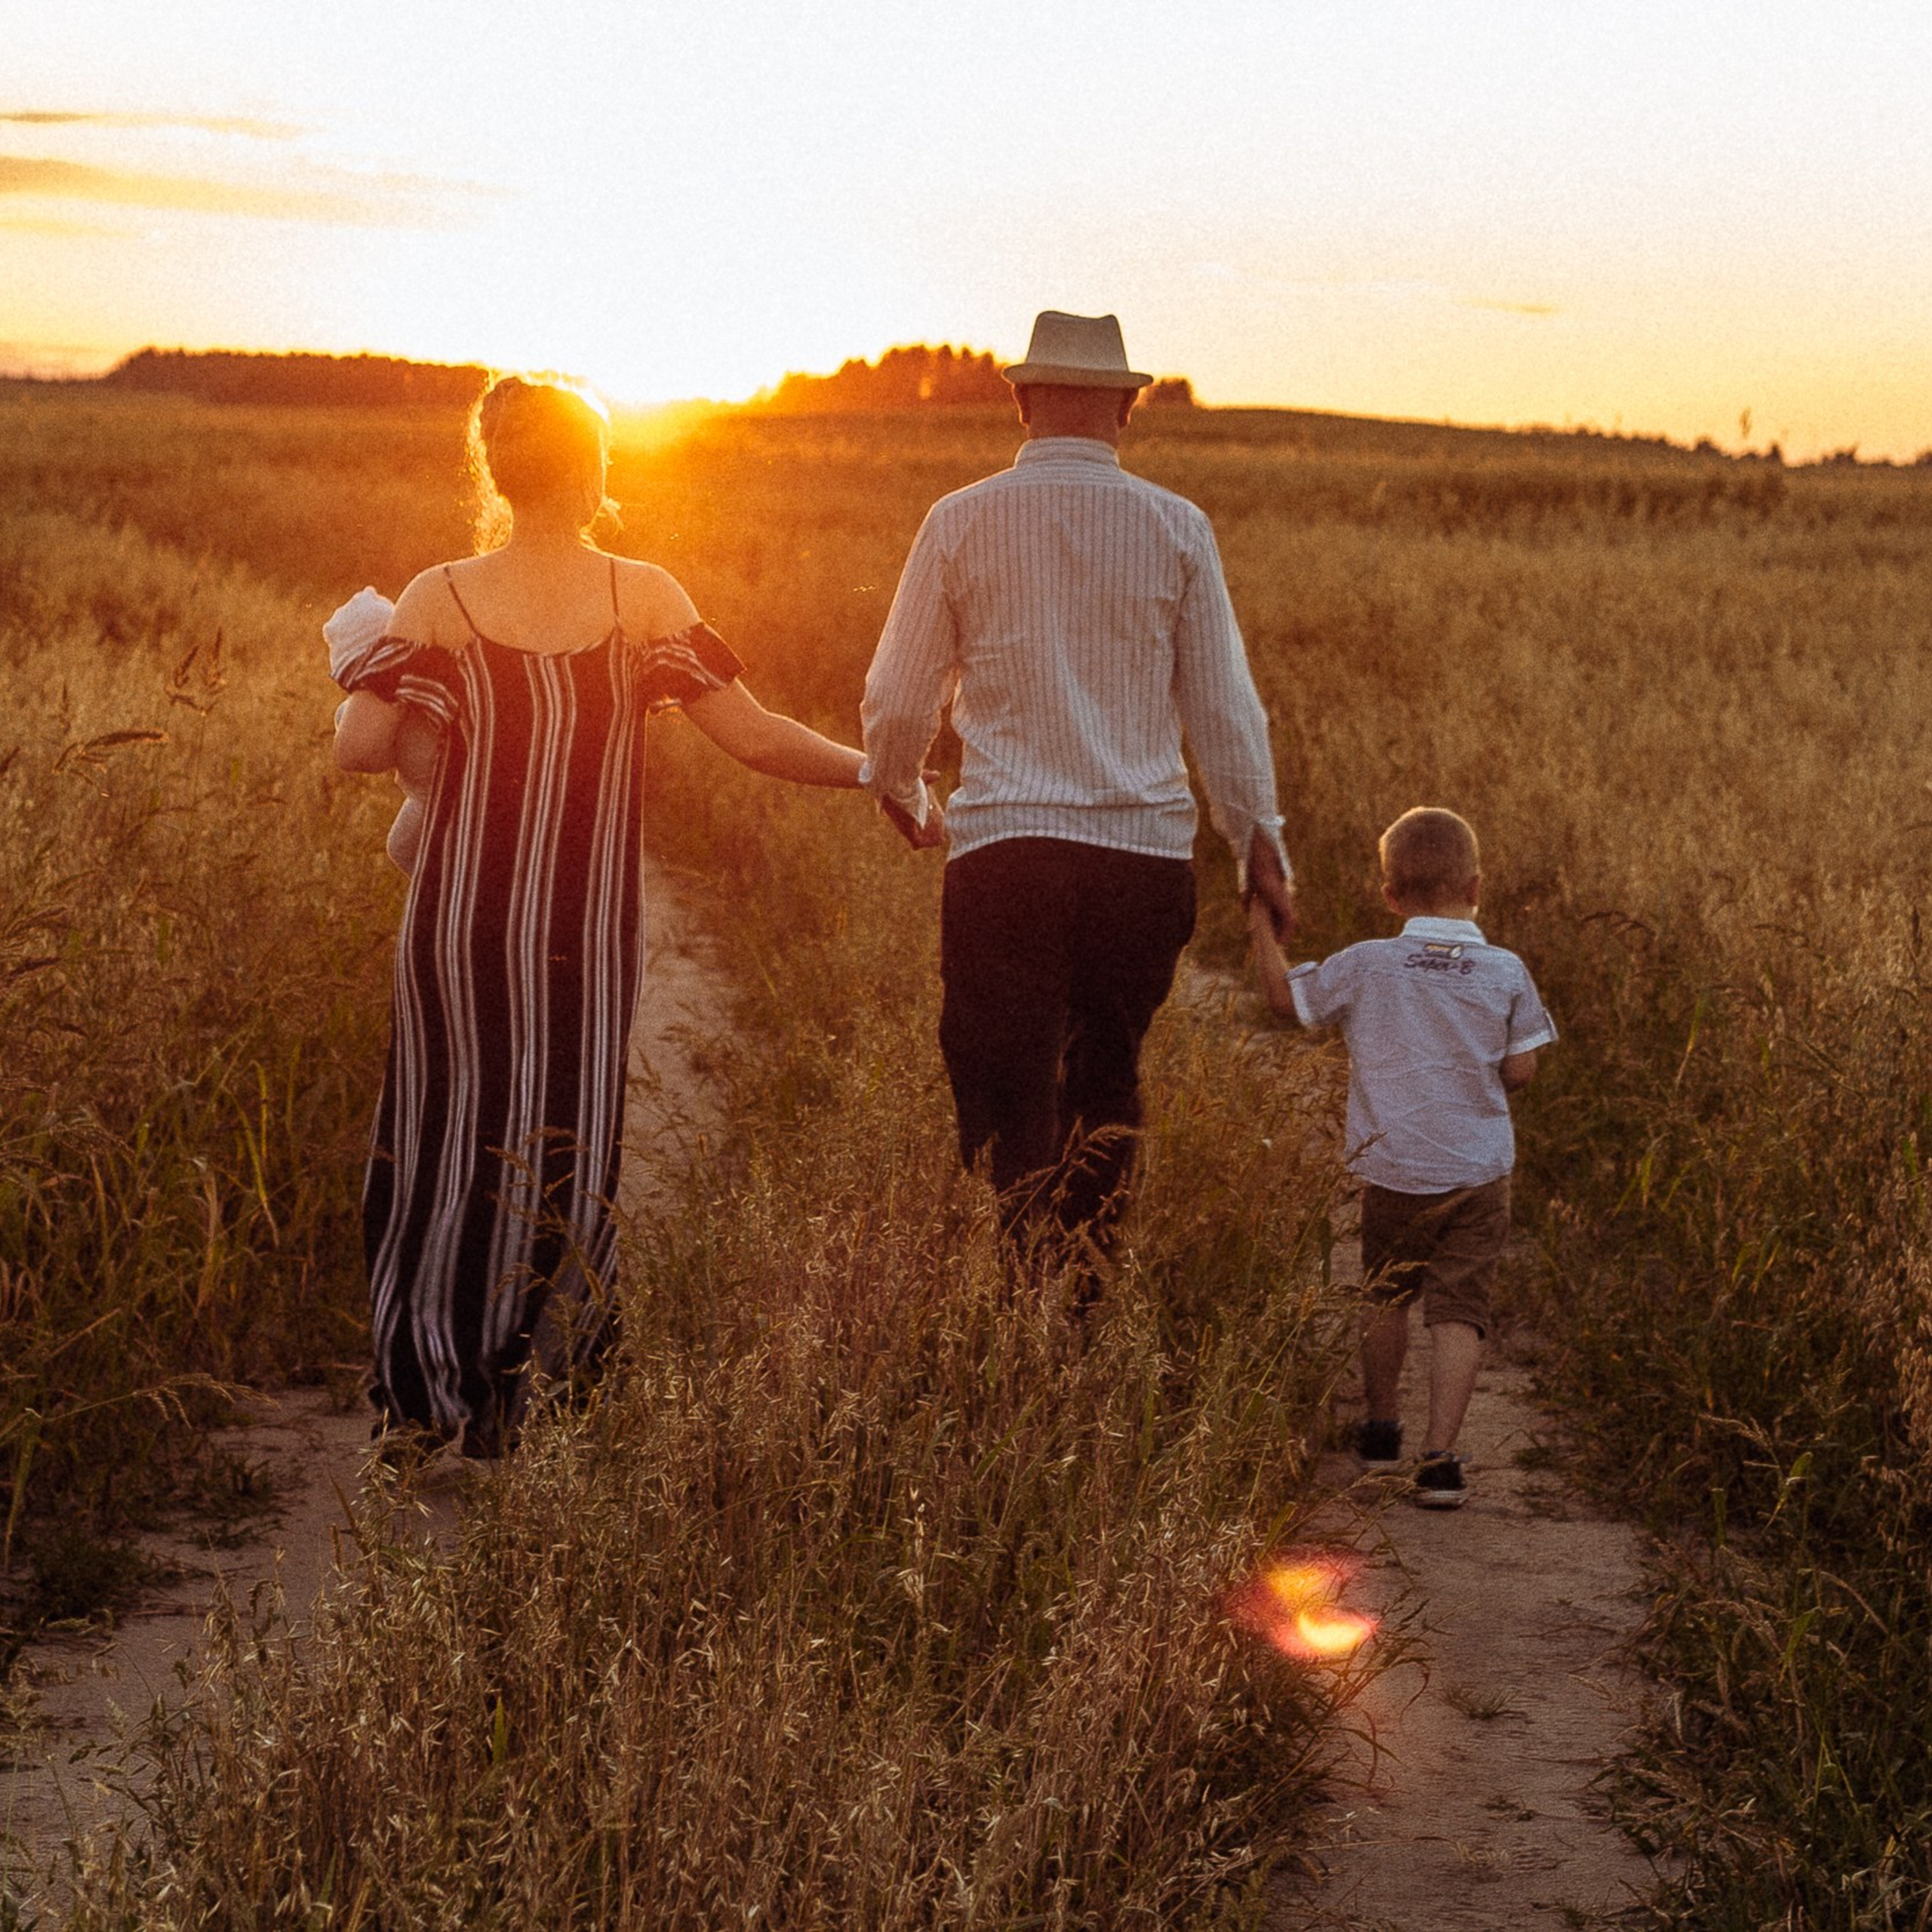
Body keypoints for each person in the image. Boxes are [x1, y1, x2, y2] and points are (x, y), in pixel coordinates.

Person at [328, 375, 922, 1457]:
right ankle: (521, 1396)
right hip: (583, 932)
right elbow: (755, 736)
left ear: (497, 472)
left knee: (438, 1139)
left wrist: (387, 684)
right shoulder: (641, 596)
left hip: (457, 924)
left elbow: (359, 750)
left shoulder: (437, 597)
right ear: (596, 469)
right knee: (563, 1143)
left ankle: (418, 1397)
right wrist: (880, 774)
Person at [861, 309, 1294, 1284]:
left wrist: (900, 786)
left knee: (1009, 1087)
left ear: (1019, 402)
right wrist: (1257, 844)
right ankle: (1087, 1297)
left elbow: (895, 697)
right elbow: (1227, 711)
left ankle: (1023, 1305)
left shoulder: (957, 519)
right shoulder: (1180, 527)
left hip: (1007, 853)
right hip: (1141, 864)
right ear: (1128, 408)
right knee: (1107, 1082)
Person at [1247, 807, 1556, 1508]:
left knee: (1385, 1294)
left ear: (1390, 896)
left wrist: (1261, 926)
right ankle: (1440, 1460)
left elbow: (1279, 999)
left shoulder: (1366, 964)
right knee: (1459, 1310)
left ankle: (1381, 1424)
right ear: (1477, 886)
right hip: (1478, 1172)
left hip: (1394, 1170)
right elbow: (1523, 1071)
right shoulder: (1506, 970)